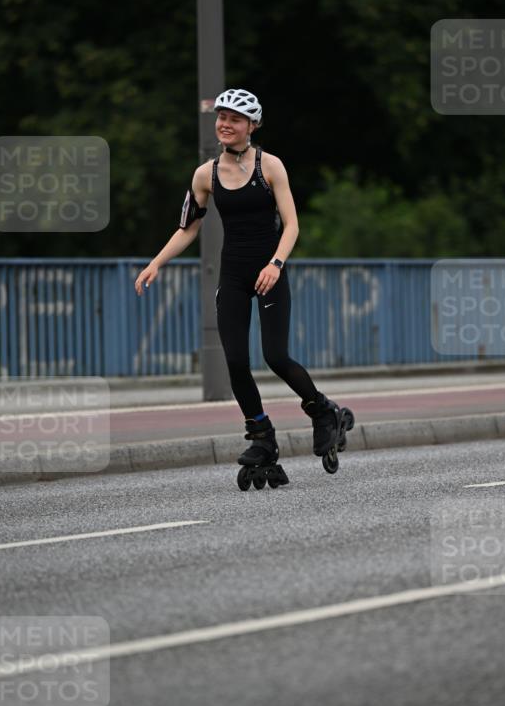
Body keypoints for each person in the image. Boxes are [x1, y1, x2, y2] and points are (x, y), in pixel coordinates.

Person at [135, 88, 353, 484]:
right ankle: (261, 436)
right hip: (233, 275)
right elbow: (188, 227)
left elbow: (292, 225)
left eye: (235, 119)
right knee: (235, 360)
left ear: (252, 125)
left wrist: (276, 264)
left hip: (269, 271)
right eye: (221, 117)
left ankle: (323, 411)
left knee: (276, 356)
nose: (225, 124)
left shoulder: (270, 166)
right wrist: (155, 263)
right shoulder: (205, 174)